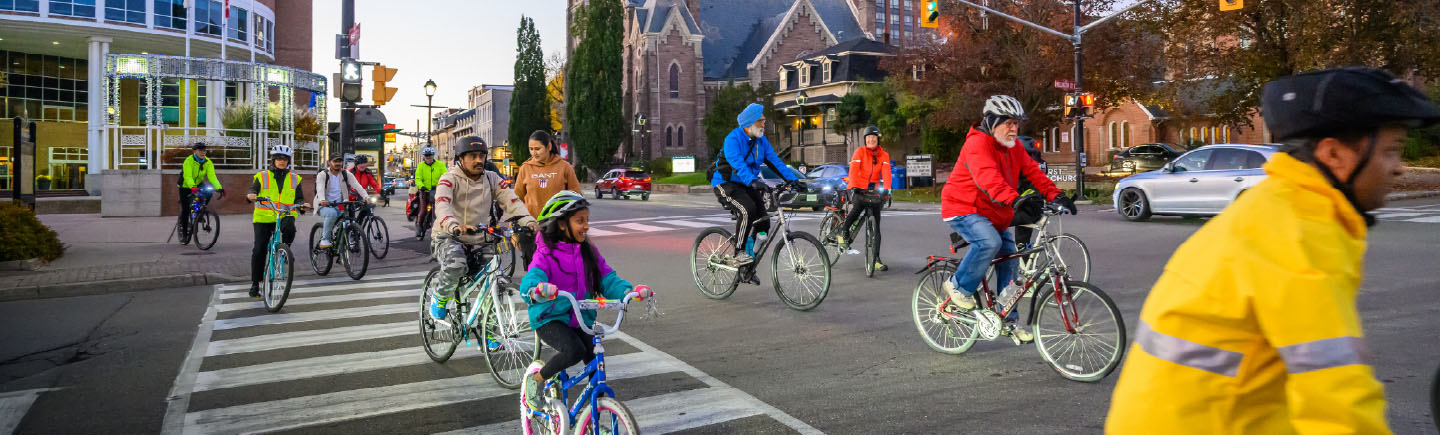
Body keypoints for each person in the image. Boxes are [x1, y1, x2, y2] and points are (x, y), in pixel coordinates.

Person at [1106, 67, 1439, 434]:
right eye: (1391, 151)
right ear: (1335, 155)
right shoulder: (1299, 234)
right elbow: (1338, 400)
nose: (1399, 169)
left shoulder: (1281, 207)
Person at [940, 95, 1075, 344]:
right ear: (992, 122)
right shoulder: (977, 145)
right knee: (989, 243)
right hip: (963, 206)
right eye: (1009, 123)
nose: (1014, 129)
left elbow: (1034, 172)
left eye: (1016, 124)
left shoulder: (1014, 148)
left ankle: (1007, 320)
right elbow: (988, 178)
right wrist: (1015, 199)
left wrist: (1057, 195)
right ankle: (958, 286)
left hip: (994, 211)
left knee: (1010, 259)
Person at [518, 190, 651, 410]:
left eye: (587, 220)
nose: (586, 226)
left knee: (595, 357)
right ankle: (537, 381)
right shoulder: (545, 253)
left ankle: (595, 413)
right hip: (550, 318)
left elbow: (607, 278)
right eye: (580, 221)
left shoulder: (587, 251)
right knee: (573, 350)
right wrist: (538, 289)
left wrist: (629, 291)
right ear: (562, 224)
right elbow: (531, 279)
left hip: (580, 318)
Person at [428, 136, 539, 322]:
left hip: (480, 238)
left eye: (481, 155)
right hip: (448, 236)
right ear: (460, 159)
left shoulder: (492, 178)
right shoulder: (448, 179)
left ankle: (489, 335)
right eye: (472, 156)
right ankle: (439, 297)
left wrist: (528, 221)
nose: (479, 160)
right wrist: (454, 226)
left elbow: (512, 200)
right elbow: (442, 205)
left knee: (493, 282)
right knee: (456, 264)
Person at [709, 103, 803, 266]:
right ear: (750, 123)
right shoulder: (733, 139)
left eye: (764, 120)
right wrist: (753, 181)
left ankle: (749, 262)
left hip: (747, 184)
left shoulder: (762, 142)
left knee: (764, 223)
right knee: (747, 211)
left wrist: (794, 180)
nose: (764, 123)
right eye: (761, 120)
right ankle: (738, 254)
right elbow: (737, 164)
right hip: (726, 184)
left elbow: (776, 162)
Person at [513, 130, 581, 268]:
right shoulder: (525, 168)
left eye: (537, 149)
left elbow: (576, 198)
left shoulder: (564, 167)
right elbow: (516, 200)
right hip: (530, 229)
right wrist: (514, 230)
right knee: (534, 274)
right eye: (531, 149)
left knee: (558, 271)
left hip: (557, 229)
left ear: (549, 147)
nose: (534, 153)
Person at [244, 146, 306, 298]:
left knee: (290, 229)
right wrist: (251, 195)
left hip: (285, 215)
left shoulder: (295, 178)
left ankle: (284, 252)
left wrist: (303, 204)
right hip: (263, 217)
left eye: (284, 159)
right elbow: (253, 190)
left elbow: (299, 198)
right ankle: (255, 283)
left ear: (288, 161)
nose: (281, 161)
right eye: (278, 159)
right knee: (259, 249)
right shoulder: (262, 176)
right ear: (273, 160)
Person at [835, 125, 893, 271]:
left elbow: (886, 173)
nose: (871, 140)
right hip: (859, 188)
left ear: (878, 139)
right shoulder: (860, 152)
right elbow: (853, 171)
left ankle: (876, 259)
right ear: (865, 140)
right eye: (868, 138)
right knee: (857, 209)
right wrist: (853, 186)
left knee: (877, 228)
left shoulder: (884, 155)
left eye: (874, 137)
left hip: (873, 191)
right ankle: (843, 232)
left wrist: (888, 189)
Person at [313, 156, 370, 249]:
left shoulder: (345, 174)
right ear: (329, 162)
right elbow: (319, 188)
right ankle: (325, 239)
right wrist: (322, 199)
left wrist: (366, 196)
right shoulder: (323, 174)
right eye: (335, 161)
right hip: (324, 205)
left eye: (339, 161)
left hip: (340, 204)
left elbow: (357, 186)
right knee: (332, 213)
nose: (337, 163)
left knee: (348, 220)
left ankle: (343, 247)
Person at [177, 142, 224, 237]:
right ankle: (185, 232)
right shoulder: (188, 161)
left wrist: (219, 187)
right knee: (185, 210)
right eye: (200, 150)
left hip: (198, 184)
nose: (203, 152)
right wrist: (192, 187)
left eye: (204, 150)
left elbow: (212, 176)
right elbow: (188, 176)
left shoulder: (208, 162)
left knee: (209, 193)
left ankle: (200, 212)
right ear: (194, 151)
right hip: (185, 185)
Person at [413, 146, 447, 239]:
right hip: (425, 192)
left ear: (433, 156)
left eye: (430, 157)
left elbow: (445, 176)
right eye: (427, 157)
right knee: (423, 211)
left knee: (438, 211)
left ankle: (438, 228)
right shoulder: (421, 166)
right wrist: (421, 186)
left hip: (437, 191)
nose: (428, 159)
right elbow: (418, 178)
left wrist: (443, 185)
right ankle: (419, 226)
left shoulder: (440, 165)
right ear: (424, 157)